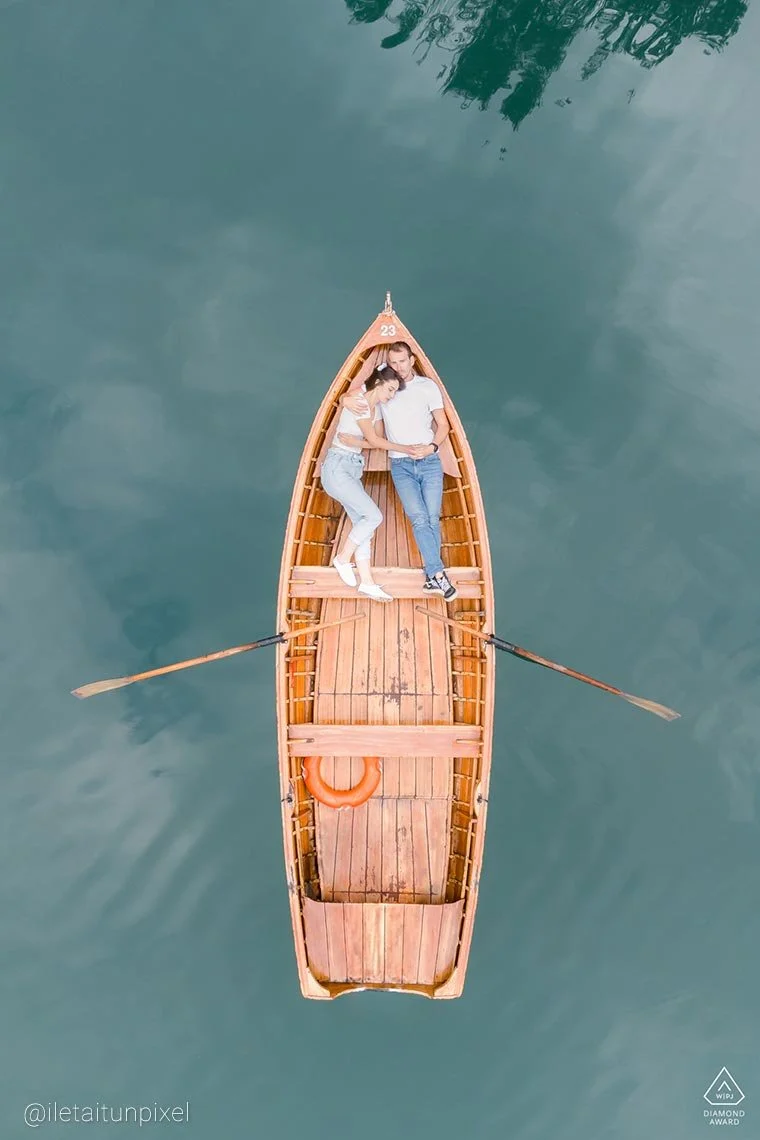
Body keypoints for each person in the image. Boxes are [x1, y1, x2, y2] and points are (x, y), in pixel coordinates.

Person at [340, 341, 457, 601]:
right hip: (400, 464)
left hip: (429, 461)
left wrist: (431, 447)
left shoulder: (428, 387)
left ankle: (433, 576)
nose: (398, 367)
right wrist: (344, 399)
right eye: (393, 363)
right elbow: (351, 398)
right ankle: (437, 576)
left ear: (412, 360)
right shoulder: (385, 389)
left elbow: (443, 425)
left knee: (432, 517)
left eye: (402, 361)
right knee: (419, 518)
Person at [320, 364, 414, 601]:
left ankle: (367, 582)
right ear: (379, 383)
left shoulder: (373, 407)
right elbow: (374, 439)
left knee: (364, 524)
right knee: (374, 517)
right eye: (390, 389)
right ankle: (342, 559)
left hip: (351, 467)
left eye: (394, 392)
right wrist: (405, 449)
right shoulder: (361, 403)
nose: (391, 395)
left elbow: (374, 440)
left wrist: (358, 441)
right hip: (337, 468)